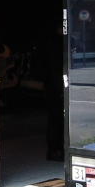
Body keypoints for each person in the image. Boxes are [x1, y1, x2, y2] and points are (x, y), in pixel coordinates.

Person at [44, 23, 64, 161]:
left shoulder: (50, 42)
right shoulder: (57, 43)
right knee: (57, 119)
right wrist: (61, 88)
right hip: (56, 86)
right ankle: (55, 149)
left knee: (54, 118)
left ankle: (54, 149)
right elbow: (56, 67)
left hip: (51, 85)